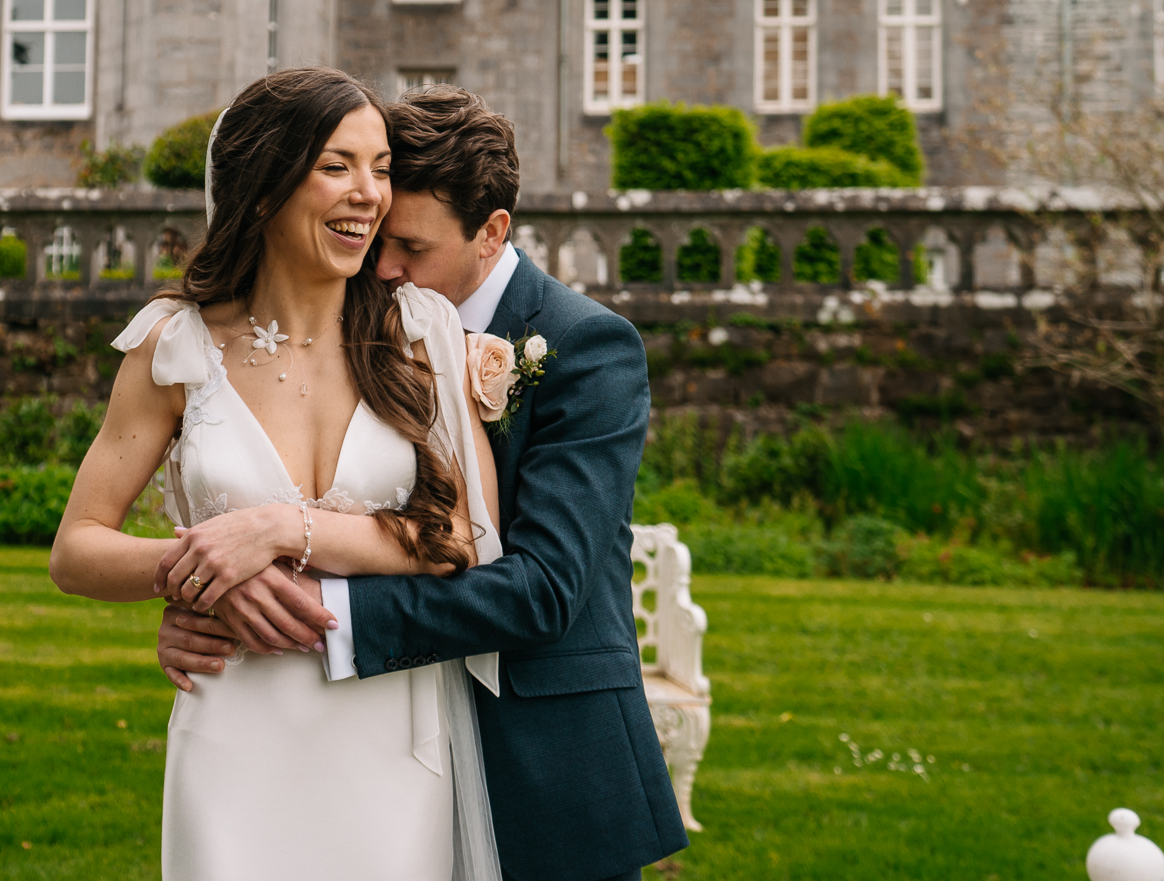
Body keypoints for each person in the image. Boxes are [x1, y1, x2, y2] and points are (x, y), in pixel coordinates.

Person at [158, 86, 689, 881]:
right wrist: (213, 600)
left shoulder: (587, 348)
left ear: (493, 232)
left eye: (410, 247)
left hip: (540, 753)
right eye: (378, 238)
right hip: (372, 745)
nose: (384, 265)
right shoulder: (361, 327)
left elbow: (541, 589)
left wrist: (305, 617)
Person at [50, 68, 508, 881]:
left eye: (380, 167)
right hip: (235, 727)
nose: (370, 194)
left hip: (391, 739)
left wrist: (279, 530)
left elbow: (469, 540)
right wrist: (200, 575)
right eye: (337, 166)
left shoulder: (419, 333)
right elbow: (77, 549)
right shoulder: (174, 345)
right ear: (264, 186)